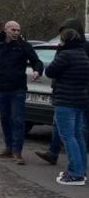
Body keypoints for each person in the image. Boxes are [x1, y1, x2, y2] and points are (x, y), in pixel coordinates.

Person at [0, 21, 43, 165]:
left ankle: (17, 152)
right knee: (5, 118)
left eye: (18, 30)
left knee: (18, 120)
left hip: (18, 89)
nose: (16, 32)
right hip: (1, 88)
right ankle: (8, 147)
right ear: (6, 30)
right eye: (13, 30)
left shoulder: (24, 46)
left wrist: (37, 71)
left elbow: (36, 61)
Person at [36, 18, 89, 165]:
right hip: (72, 94)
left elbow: (52, 70)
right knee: (66, 129)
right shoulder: (70, 50)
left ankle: (76, 169)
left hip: (71, 95)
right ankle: (59, 156)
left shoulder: (72, 50)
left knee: (73, 134)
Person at [44, 28, 89, 185]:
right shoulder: (82, 54)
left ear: (65, 41)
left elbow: (49, 71)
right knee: (78, 136)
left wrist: (60, 51)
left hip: (65, 101)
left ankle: (75, 174)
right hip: (80, 100)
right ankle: (80, 170)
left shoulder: (65, 55)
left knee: (68, 136)